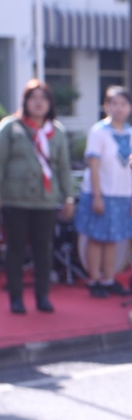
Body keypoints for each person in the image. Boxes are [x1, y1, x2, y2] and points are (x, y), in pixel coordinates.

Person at [0, 79, 74, 314]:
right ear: (25, 101)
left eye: (43, 98)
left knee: (44, 248)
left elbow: (63, 167)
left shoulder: (57, 131)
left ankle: (43, 296)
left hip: (46, 199)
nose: (39, 103)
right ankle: (16, 297)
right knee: (16, 248)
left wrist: (69, 197)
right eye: (34, 98)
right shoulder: (10, 127)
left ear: (50, 103)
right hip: (15, 198)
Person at [75, 86, 132, 298]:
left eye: (123, 104)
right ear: (106, 106)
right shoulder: (99, 131)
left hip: (122, 194)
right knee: (96, 237)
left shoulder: (131, 132)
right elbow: (93, 165)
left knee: (114, 239)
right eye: (114, 104)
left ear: (130, 107)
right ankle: (94, 280)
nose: (119, 108)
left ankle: (109, 278)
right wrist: (97, 196)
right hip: (101, 193)